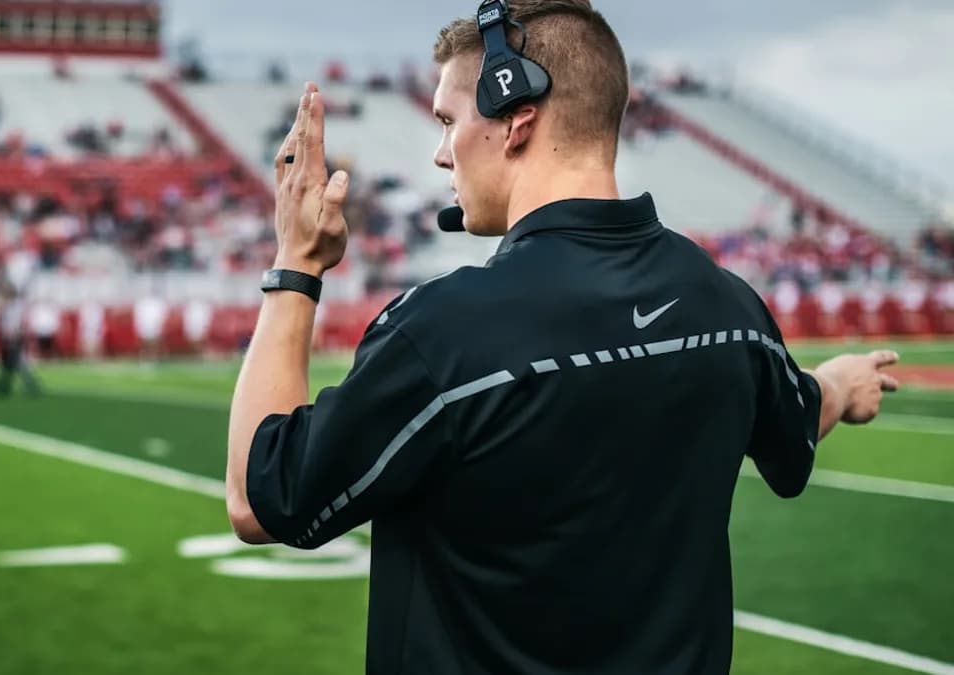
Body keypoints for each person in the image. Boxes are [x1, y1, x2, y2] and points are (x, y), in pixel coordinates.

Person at [224, 2, 902, 673]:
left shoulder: (444, 332)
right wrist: (842, 382)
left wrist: (297, 266)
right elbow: (797, 417)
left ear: (518, 117)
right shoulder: (727, 305)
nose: (439, 153)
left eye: (448, 121)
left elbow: (260, 502)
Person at [0, 284, 40, 397]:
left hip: (14, 337)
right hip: (9, 337)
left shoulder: (14, 307)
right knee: (9, 363)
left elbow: (17, 323)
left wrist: (14, 334)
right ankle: (3, 387)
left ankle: (5, 387)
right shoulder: (9, 307)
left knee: (14, 362)